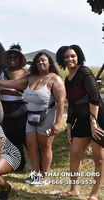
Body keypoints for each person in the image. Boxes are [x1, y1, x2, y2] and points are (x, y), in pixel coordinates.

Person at [0, 52, 66, 186]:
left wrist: (58, 123)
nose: (40, 63)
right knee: (31, 146)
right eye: (38, 61)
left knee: (45, 147)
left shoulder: (55, 79)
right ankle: (36, 173)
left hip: (47, 117)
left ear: (49, 63)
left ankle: (45, 177)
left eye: (43, 60)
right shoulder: (31, 77)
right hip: (30, 117)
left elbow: (61, 102)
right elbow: (13, 83)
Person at [56, 45, 104, 200]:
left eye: (73, 56)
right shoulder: (67, 80)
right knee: (75, 154)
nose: (70, 59)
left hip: (97, 119)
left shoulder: (84, 72)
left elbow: (94, 97)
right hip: (82, 121)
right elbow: (73, 104)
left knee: (99, 158)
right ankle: (74, 190)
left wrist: (93, 121)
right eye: (66, 57)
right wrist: (69, 125)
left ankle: (94, 194)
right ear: (62, 59)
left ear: (78, 57)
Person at [0, 43, 29, 170]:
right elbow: (1, 90)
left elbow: (23, 89)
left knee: (24, 136)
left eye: (15, 57)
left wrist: (9, 87)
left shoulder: (26, 73)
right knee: (11, 137)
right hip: (5, 107)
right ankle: (19, 164)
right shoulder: (2, 73)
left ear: (20, 59)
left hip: (20, 108)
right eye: (10, 57)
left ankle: (39, 164)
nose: (12, 60)